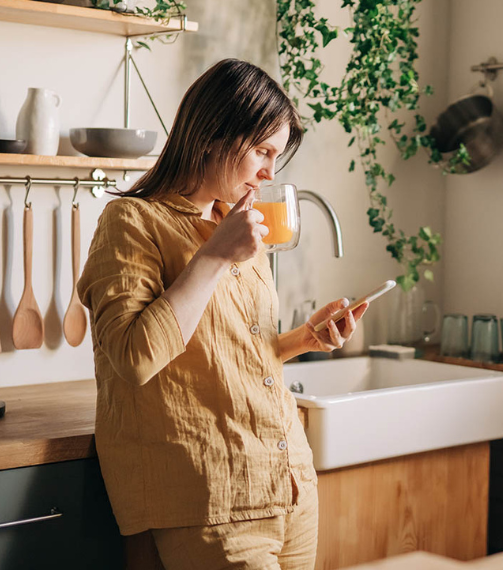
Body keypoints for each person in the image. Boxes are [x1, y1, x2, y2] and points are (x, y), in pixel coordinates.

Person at [77, 58, 368, 570]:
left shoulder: (234, 225)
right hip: (210, 495)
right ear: (212, 134)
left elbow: (230, 351)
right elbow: (135, 357)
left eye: (276, 156)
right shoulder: (132, 221)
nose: (268, 172)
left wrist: (304, 339)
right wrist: (213, 257)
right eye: (261, 150)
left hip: (289, 482)